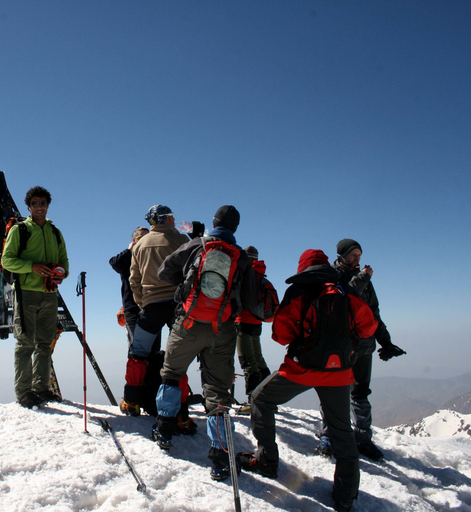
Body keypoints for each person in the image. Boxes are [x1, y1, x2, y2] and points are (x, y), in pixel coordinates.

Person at [237, 249, 378, 512]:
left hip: (301, 369)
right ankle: (346, 495)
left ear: (302, 266)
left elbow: (281, 334)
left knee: (260, 398)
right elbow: (368, 326)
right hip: (339, 373)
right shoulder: (345, 290)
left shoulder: (299, 290)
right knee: (341, 430)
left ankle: (266, 460)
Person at [153, 205, 260, 482]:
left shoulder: (196, 245)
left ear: (214, 223)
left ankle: (163, 431)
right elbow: (250, 301)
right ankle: (220, 457)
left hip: (187, 323)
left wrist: (188, 284)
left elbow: (164, 272)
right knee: (217, 393)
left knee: (172, 374)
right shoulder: (241, 258)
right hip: (221, 330)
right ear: (235, 228)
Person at [317, 239, 406, 461]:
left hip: (364, 346)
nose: (358, 259)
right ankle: (328, 436)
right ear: (342, 255)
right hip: (341, 347)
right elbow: (343, 298)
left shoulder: (363, 278)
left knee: (360, 392)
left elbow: (373, 313)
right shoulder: (333, 275)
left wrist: (385, 341)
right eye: (353, 255)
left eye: (359, 255)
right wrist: (363, 277)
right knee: (335, 392)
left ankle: (363, 439)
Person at [1, 186, 69, 409]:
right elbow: (7, 260)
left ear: (48, 205)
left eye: (43, 203)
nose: (40, 206)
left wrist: (62, 275)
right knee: (25, 343)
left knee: (44, 343)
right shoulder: (20, 230)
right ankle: (24, 392)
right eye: (35, 203)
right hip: (26, 292)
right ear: (28, 207)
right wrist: (33, 267)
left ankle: (42, 389)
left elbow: (64, 262)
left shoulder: (55, 232)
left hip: (49, 294)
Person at [121, 205, 190, 418]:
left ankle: (131, 401)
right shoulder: (182, 241)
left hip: (151, 306)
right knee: (177, 357)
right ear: (166, 219)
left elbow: (134, 279)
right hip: (179, 305)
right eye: (172, 217)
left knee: (138, 354)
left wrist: (144, 302)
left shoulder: (141, 244)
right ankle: (180, 410)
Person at [235, 246, 272, 398]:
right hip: (257, 323)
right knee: (258, 359)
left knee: (247, 362)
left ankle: (253, 400)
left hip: (242, 322)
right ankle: (266, 396)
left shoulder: (243, 273)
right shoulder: (260, 275)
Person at [109, 227, 149, 351]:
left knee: (152, 347)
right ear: (134, 240)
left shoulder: (151, 257)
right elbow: (115, 263)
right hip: (132, 307)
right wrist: (129, 250)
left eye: (147, 238)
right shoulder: (128, 258)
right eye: (141, 238)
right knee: (136, 346)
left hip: (150, 305)